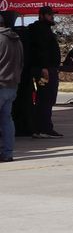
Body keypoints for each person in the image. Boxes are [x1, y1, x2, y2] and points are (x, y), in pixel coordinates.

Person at [26, 5, 62, 139]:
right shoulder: (40, 30)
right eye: (49, 15)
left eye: (52, 14)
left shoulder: (44, 29)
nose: (52, 17)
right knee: (47, 96)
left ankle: (39, 127)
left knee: (44, 97)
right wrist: (44, 68)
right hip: (45, 71)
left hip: (46, 69)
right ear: (41, 16)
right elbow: (40, 51)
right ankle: (44, 128)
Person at [0, 10, 22, 162]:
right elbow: (21, 63)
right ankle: (7, 152)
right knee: (7, 120)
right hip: (12, 84)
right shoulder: (17, 40)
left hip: (1, 83)